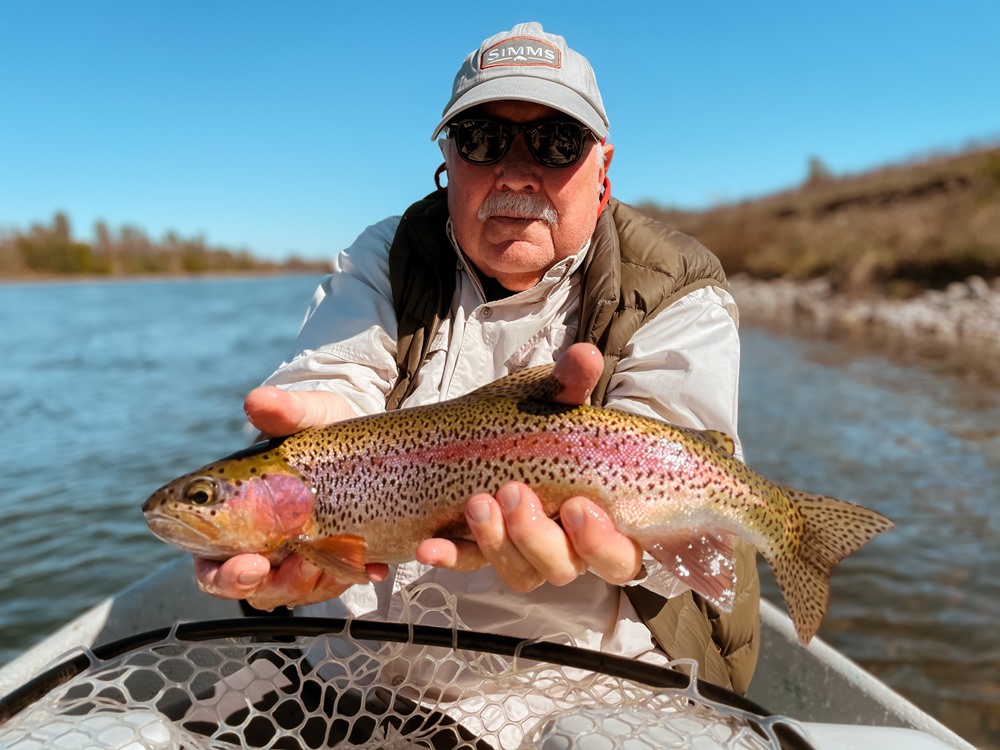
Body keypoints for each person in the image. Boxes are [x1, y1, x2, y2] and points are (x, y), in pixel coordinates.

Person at [194, 21, 760, 694]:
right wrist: (313, 425)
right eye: (483, 139)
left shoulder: (676, 280)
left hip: (587, 671)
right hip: (355, 659)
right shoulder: (391, 252)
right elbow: (334, 376)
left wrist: (635, 541)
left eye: (557, 143)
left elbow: (681, 473)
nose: (517, 171)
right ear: (447, 162)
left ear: (603, 167)